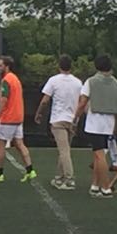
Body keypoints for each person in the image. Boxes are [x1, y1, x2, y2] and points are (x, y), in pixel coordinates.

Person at [77, 54, 117, 197]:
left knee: (99, 155)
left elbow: (82, 102)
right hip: (109, 122)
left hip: (95, 122)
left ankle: (105, 187)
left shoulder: (91, 82)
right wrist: (116, 125)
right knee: (99, 154)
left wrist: (75, 118)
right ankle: (95, 185)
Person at [34, 55, 83, 191]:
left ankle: (69, 179)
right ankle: (59, 177)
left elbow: (45, 100)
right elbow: (82, 102)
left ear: (59, 66)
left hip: (58, 119)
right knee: (65, 149)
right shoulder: (78, 82)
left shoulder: (54, 80)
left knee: (64, 151)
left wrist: (39, 113)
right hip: (71, 119)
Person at [0, 55, 36, 183]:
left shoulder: (6, 80)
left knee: (1, 145)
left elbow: (4, 100)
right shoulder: (16, 79)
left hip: (9, 118)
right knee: (20, 144)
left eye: (0, 65)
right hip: (18, 117)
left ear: (7, 66)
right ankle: (30, 170)